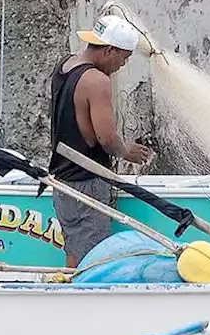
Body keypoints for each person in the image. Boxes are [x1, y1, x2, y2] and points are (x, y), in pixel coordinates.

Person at [48, 14, 154, 267]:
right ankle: (84, 302)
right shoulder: (97, 81)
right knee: (93, 259)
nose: (122, 65)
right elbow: (106, 138)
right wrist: (127, 151)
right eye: (124, 58)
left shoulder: (64, 66)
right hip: (88, 182)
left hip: (62, 180)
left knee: (74, 249)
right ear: (109, 50)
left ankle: (69, 297)